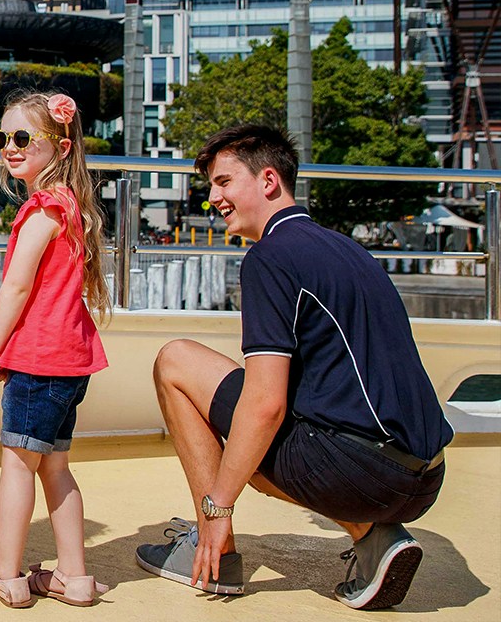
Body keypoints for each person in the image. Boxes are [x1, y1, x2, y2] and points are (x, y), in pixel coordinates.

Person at [138, 124, 451, 609]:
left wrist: (218, 506)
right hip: (425, 474)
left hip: (364, 475)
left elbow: (265, 405)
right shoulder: (349, 250)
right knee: (257, 430)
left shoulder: (270, 257)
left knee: (176, 362)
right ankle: (374, 537)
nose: (212, 198)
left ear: (267, 181)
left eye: (223, 182)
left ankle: (212, 549)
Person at [0, 91, 110, 608]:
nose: (9, 148)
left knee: (17, 465)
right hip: (71, 360)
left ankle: (8, 575)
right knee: (56, 466)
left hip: (37, 359)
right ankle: (73, 577)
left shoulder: (41, 209)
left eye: (21, 139)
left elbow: (15, 288)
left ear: (57, 146)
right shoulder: (71, 205)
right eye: (1, 138)